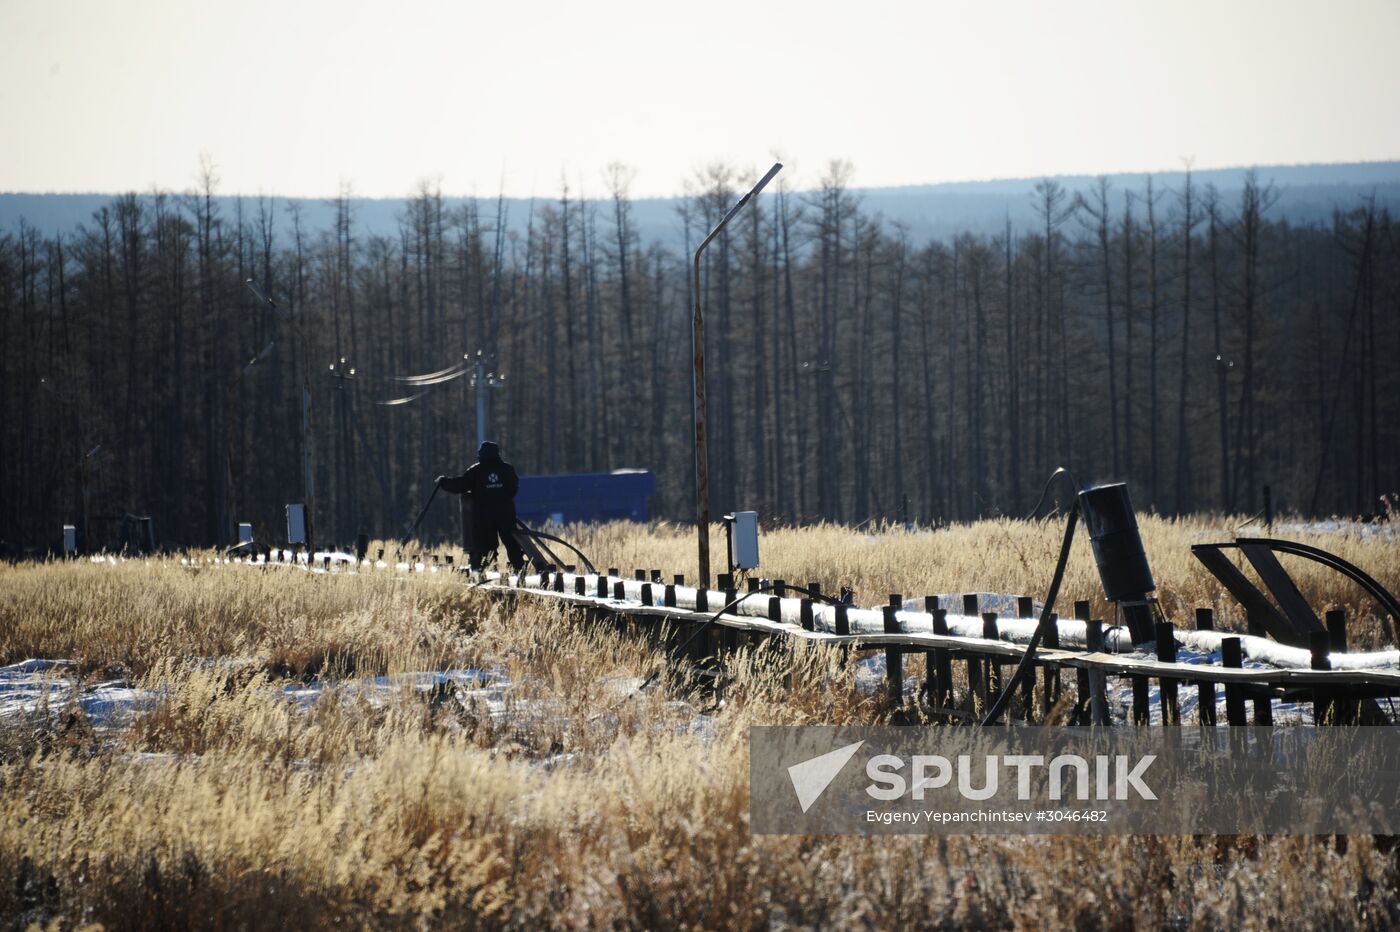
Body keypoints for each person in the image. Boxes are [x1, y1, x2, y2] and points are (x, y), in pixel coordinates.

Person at [437, 441, 527, 573]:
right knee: (512, 544)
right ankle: (520, 571)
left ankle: (486, 572)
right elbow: (513, 488)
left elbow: (461, 485)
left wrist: (443, 482)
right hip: (505, 515)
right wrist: (501, 498)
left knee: (485, 547)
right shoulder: (507, 469)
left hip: (484, 516)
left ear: (481, 455)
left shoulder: (476, 471)